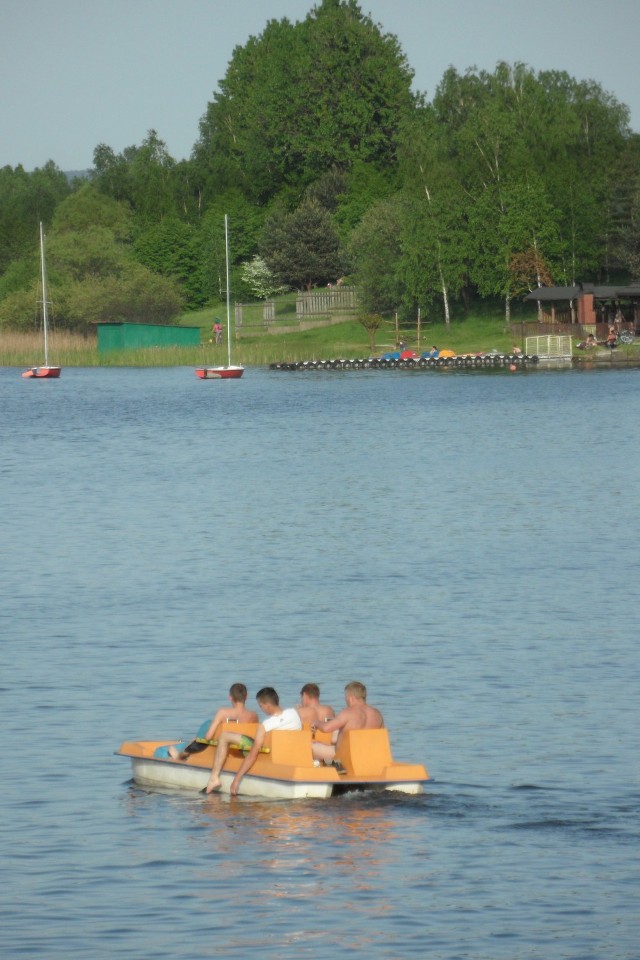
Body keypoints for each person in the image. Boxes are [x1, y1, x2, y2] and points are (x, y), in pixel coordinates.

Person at [204, 687, 301, 795]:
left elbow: (252, 755)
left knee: (224, 736)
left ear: (267, 704)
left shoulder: (266, 725)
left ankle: (214, 777)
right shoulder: (294, 714)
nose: (261, 709)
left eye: (261, 706)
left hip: (267, 755)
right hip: (291, 755)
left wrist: (236, 779)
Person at [167, 683, 258, 762]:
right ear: (247, 696)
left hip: (224, 746)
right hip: (242, 747)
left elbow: (208, 737)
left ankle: (178, 757)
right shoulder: (254, 715)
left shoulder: (223, 712)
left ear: (230, 697)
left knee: (196, 740)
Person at [311, 681, 384, 768]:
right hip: (367, 756)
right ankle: (330, 764)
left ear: (351, 698)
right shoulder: (377, 714)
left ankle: (328, 769)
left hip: (344, 757)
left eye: (346, 697)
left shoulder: (348, 713)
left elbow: (326, 728)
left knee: (312, 747)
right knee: (334, 741)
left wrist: (316, 723)